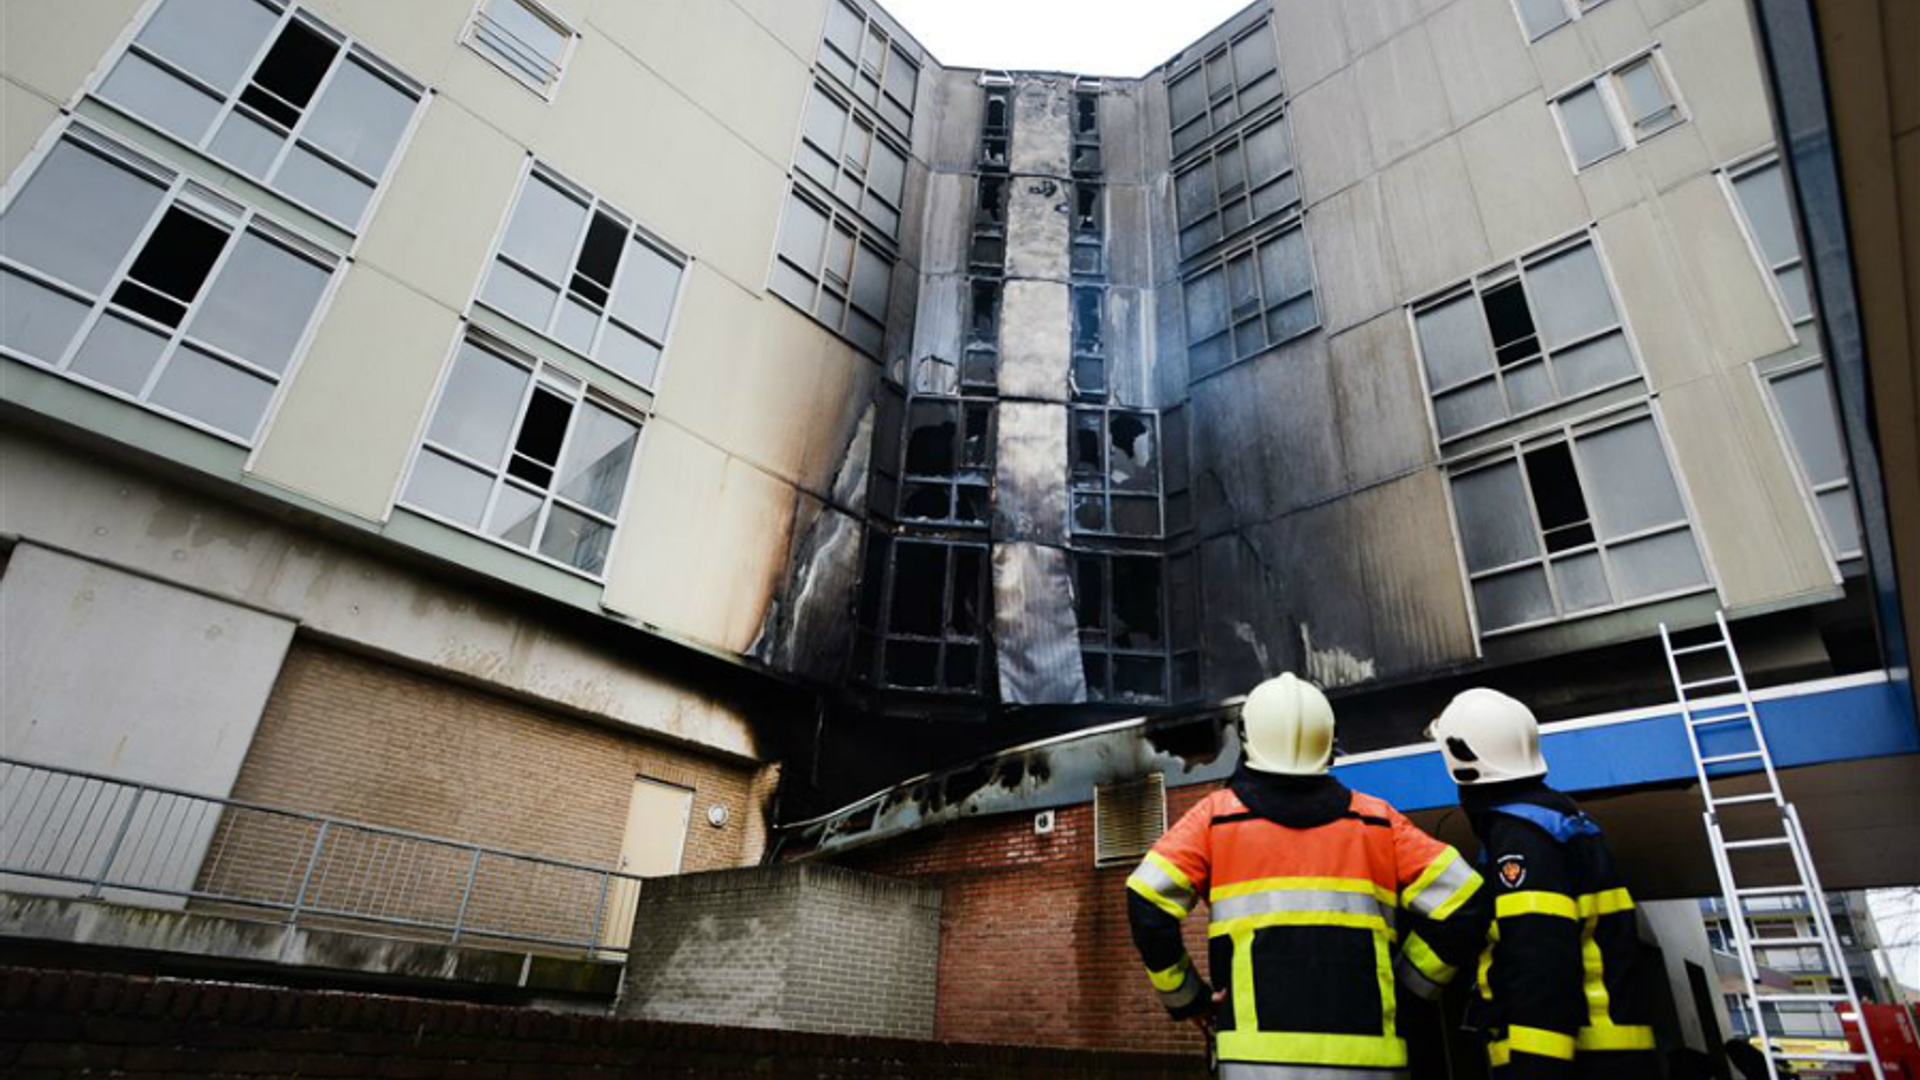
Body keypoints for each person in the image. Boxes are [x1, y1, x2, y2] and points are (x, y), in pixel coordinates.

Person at [1126, 673, 1487, 1079]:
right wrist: (1409, 987)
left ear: (1248, 739)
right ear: (1329, 740)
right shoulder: (1378, 822)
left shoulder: (1215, 818)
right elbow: (1466, 901)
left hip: (1253, 1066)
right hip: (1372, 1065)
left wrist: (1189, 1000)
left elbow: (1146, 899)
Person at [1426, 687, 1658, 1078]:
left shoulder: (1522, 839)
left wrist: (1535, 1067)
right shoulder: (1556, 823)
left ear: (1464, 760)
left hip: (1579, 1063)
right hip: (1610, 1057)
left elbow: (1540, 958)